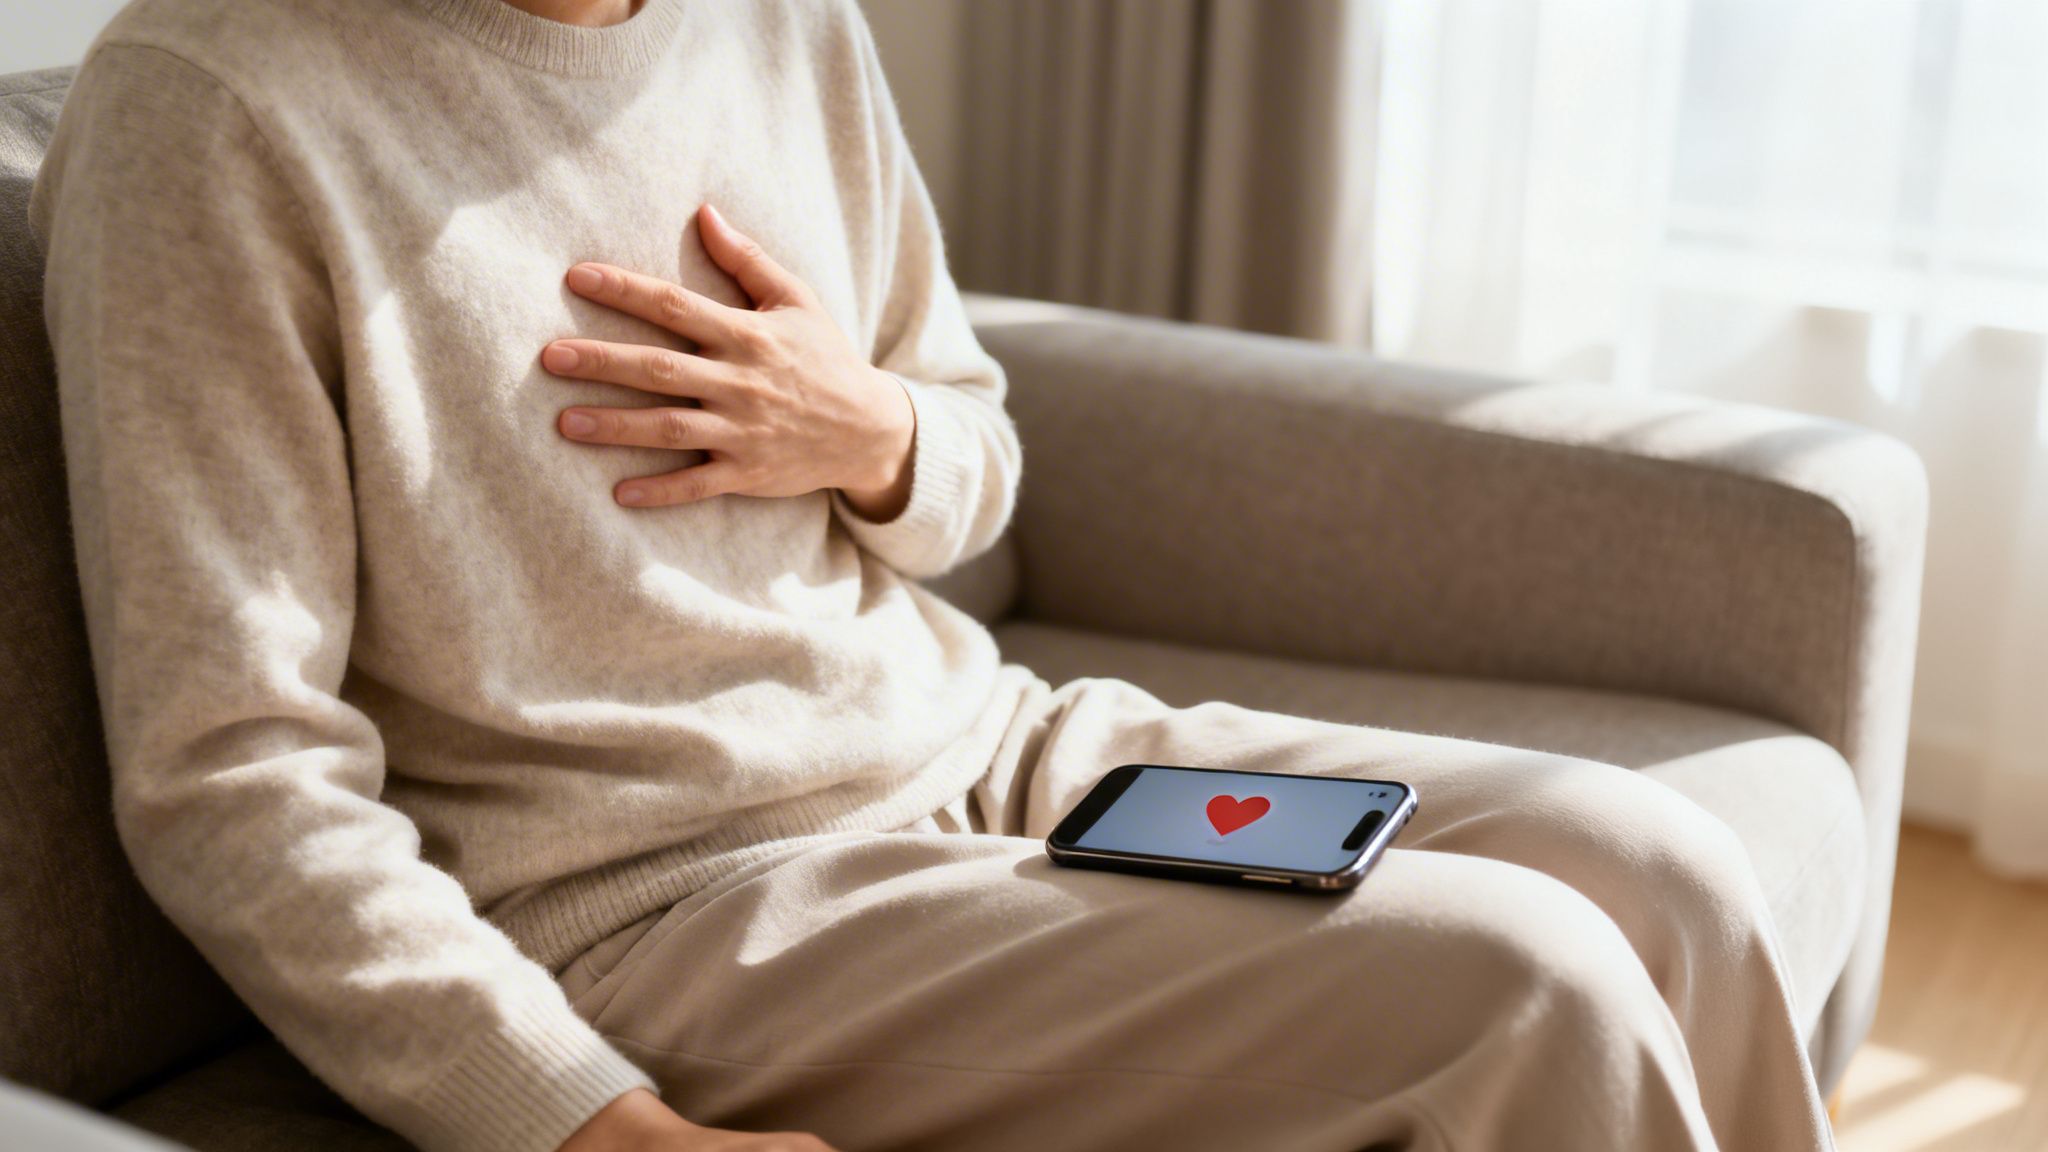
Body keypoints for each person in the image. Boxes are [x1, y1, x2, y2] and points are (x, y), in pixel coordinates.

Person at [29, 0, 1838, 1149]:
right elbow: (229, 774)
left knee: (1663, 868)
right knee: (1525, 988)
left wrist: (872, 430)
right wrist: (586, 1126)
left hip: (997, 748)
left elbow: (971, 451)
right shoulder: (212, 104)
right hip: (673, 902)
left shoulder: (783, 21)